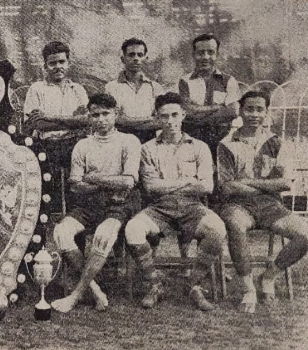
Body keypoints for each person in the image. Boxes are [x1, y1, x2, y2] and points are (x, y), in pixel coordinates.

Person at [124, 92, 227, 311]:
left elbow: (206, 186)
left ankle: (194, 284)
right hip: (159, 208)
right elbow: (151, 187)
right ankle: (155, 284)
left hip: (193, 207)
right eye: (164, 116)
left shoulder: (200, 147)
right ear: (156, 118)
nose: (170, 121)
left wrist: (170, 183)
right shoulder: (147, 148)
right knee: (133, 229)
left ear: (183, 115)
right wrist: (189, 181)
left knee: (217, 229)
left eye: (174, 115)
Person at [218, 91, 308, 313]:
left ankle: (268, 277)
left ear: (266, 112)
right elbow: (228, 186)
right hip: (238, 204)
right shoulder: (227, 143)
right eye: (249, 109)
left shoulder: (276, 142)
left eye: (259, 110)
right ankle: (248, 288)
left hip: (270, 205)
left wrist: (247, 181)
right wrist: (265, 183)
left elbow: (285, 183)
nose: (254, 115)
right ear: (240, 111)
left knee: (305, 234)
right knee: (236, 226)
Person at [51, 94, 141, 313]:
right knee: (61, 232)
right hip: (88, 205)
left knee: (103, 234)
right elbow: (74, 184)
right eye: (95, 115)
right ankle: (95, 290)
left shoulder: (129, 141)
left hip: (119, 205)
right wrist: (108, 182)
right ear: (89, 117)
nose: (100, 119)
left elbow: (128, 181)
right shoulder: (83, 145)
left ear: (116, 114)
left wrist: (93, 178)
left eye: (105, 114)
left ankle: (75, 295)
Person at [24, 41, 90, 168]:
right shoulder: (37, 89)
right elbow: (38, 124)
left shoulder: (78, 89)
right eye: (52, 63)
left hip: (74, 144)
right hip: (47, 145)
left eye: (61, 62)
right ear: (45, 66)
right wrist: (73, 121)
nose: (58, 66)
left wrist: (49, 118)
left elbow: (86, 121)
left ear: (68, 63)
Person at [178, 33, 241, 158]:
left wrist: (198, 116)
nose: (205, 57)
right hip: (193, 139)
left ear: (217, 54)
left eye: (210, 52)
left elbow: (232, 111)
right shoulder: (185, 81)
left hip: (221, 138)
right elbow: (187, 111)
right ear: (193, 55)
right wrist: (217, 107)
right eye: (200, 52)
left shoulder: (228, 80)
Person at [105, 38, 163, 144]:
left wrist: (127, 121)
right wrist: (148, 119)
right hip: (120, 140)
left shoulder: (155, 87)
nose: (136, 58)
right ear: (123, 59)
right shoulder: (111, 87)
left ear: (146, 58)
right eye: (131, 55)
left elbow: (161, 120)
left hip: (149, 140)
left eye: (140, 55)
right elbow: (112, 119)